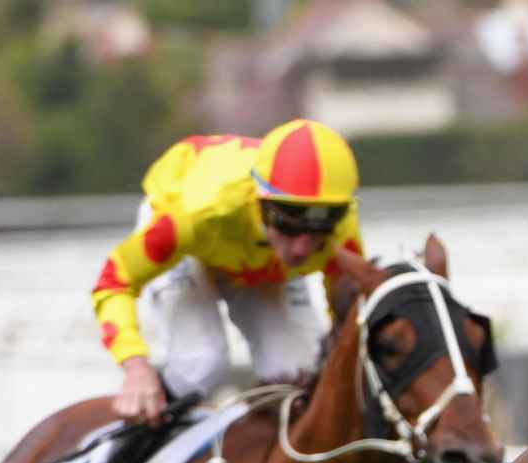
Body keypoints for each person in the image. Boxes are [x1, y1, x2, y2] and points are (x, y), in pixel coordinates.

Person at [91, 119, 365, 426]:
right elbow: (114, 282)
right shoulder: (198, 214)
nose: (301, 249)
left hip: (254, 259)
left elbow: (352, 314)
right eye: (289, 224)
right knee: (201, 364)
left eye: (319, 229)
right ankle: (140, 437)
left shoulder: (342, 233)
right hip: (194, 240)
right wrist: (136, 367)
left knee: (293, 373)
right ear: (262, 204)